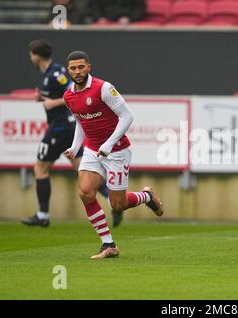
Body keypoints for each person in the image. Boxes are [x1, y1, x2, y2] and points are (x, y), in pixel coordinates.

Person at [62, 50, 163, 259]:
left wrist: (108, 144)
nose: (77, 71)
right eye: (73, 68)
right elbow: (81, 122)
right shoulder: (69, 96)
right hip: (92, 149)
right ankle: (108, 244)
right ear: (69, 70)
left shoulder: (104, 88)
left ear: (89, 67)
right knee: (85, 192)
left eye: (81, 67)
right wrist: (74, 147)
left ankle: (147, 196)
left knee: (118, 204)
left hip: (116, 152)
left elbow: (127, 116)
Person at [21, 39, 123, 228]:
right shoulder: (49, 74)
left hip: (60, 128)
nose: (30, 58)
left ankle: (42, 215)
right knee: (82, 172)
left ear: (36, 56)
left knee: (40, 169)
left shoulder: (57, 73)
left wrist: (52, 103)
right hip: (69, 129)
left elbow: (73, 92)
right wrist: (42, 98)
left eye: (31, 55)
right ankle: (113, 201)